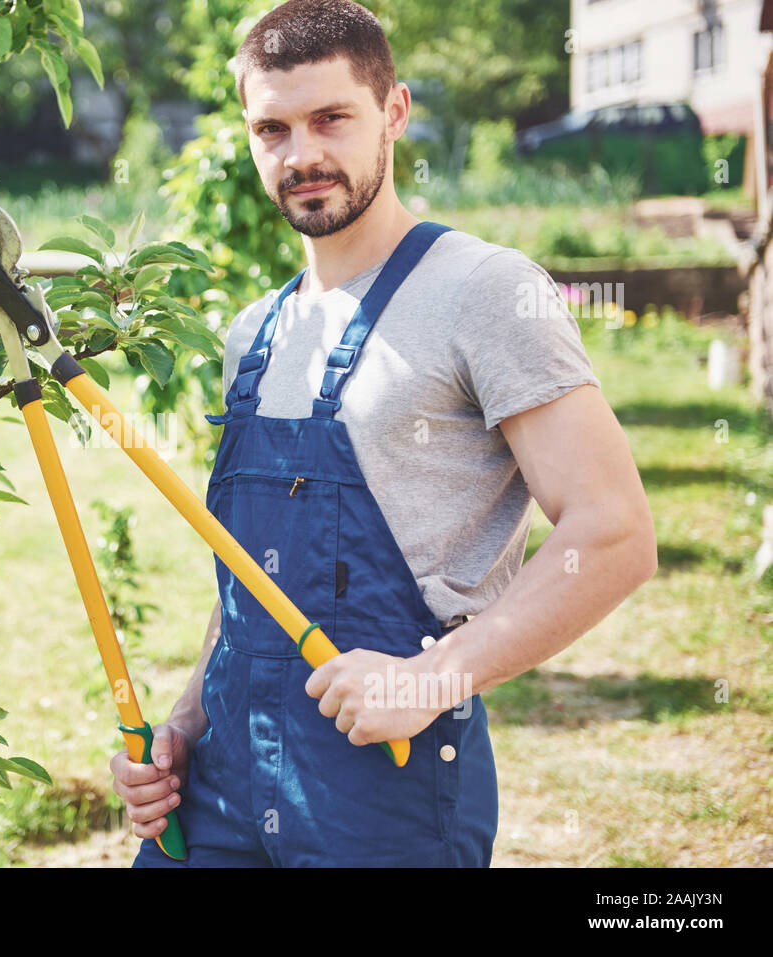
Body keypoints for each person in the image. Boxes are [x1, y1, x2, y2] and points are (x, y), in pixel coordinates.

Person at [111, 0, 657, 867]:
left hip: (385, 795)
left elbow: (615, 532)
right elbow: (249, 583)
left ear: (395, 111)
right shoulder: (255, 332)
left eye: (332, 118)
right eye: (272, 129)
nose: (302, 156)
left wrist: (430, 676)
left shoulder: (484, 292)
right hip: (219, 792)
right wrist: (184, 722)